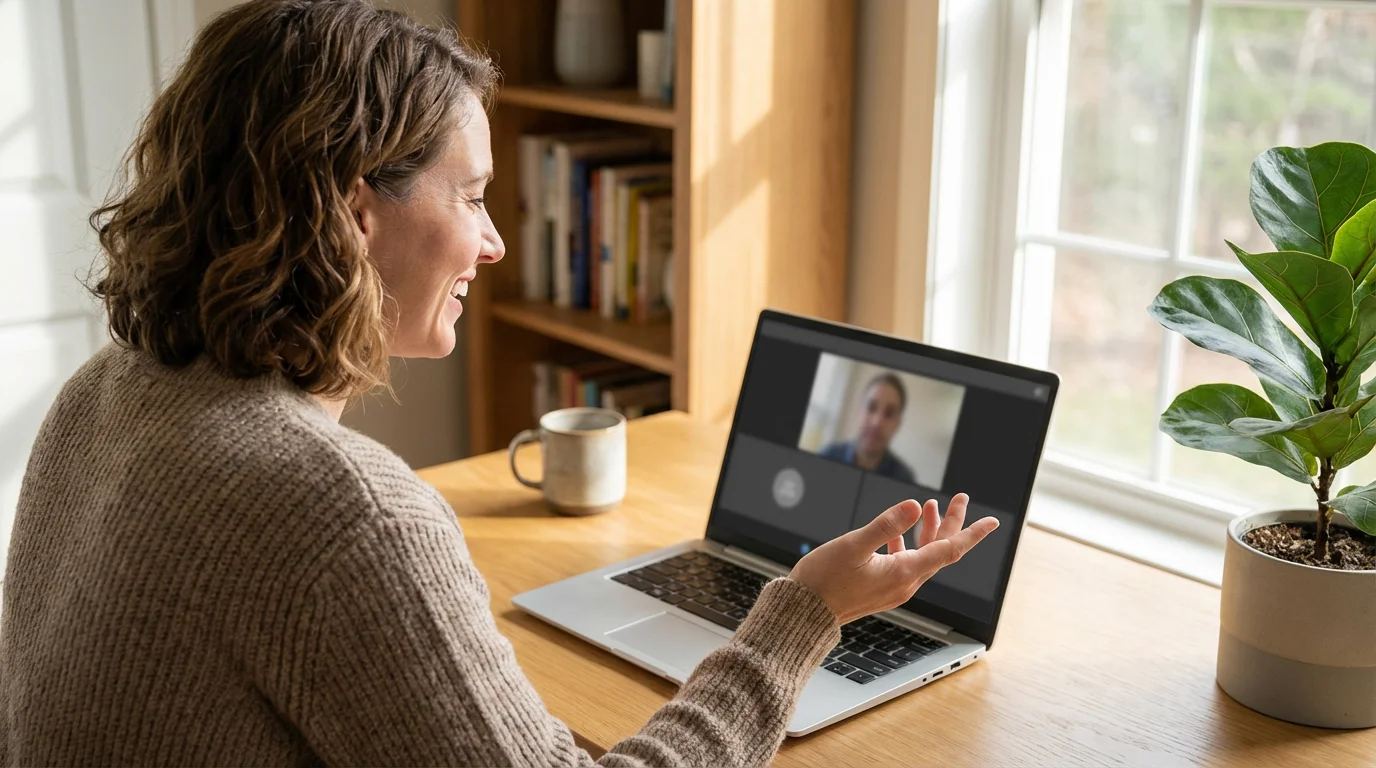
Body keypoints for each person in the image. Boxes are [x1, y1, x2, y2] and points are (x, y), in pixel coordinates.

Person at [0, 1, 999, 764]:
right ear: (353, 213)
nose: (494, 241)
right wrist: (801, 613)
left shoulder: (109, 388)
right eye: (472, 195)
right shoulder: (341, 514)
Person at [820, 372, 920, 483]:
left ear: (897, 424)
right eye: (871, 407)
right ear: (860, 411)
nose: (876, 422)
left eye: (889, 413)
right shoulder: (826, 457)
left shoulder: (905, 479)